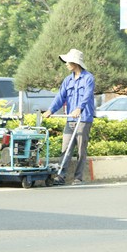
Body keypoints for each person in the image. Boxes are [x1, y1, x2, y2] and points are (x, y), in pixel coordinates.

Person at [42, 48, 95, 185]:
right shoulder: (67, 80)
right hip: (70, 119)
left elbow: (87, 95)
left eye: (68, 61)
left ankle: (78, 178)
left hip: (83, 118)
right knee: (65, 148)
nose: (66, 64)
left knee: (81, 150)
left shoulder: (88, 78)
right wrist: (50, 110)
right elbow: (60, 97)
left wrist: (79, 108)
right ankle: (60, 176)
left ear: (75, 63)